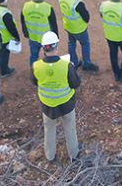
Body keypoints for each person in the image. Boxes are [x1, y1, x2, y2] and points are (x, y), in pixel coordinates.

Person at [32, 31, 81, 162]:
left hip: (47, 105)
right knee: (70, 128)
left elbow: (34, 81)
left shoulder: (36, 66)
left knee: (49, 129)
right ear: (57, 46)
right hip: (66, 104)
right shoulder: (66, 65)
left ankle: (50, 155)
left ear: (43, 48)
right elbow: (75, 83)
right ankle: (74, 154)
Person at [58, 0, 99, 72]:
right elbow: (86, 17)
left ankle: (74, 62)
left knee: (71, 44)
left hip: (68, 27)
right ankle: (87, 63)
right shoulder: (77, 3)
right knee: (85, 44)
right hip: (79, 29)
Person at [22, 0, 59, 66]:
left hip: (33, 37)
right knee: (49, 56)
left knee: (34, 56)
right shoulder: (48, 7)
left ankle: (33, 71)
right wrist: (55, 37)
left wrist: (26, 33)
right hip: (46, 40)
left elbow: (23, 22)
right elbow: (53, 25)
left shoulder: (26, 6)